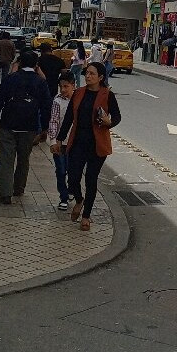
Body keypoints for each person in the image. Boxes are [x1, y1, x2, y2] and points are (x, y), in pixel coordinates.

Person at [58, 62, 121, 230]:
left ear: (100, 77)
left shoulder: (108, 95)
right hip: (78, 142)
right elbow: (69, 118)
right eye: (87, 73)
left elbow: (117, 116)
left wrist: (110, 122)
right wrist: (60, 138)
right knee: (72, 177)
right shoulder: (78, 93)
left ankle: (86, 216)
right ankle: (79, 200)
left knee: (91, 180)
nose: (88, 76)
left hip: (97, 144)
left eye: (92, 74)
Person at [0, 50, 52, 204]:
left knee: (7, 160)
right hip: (29, 126)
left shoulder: (11, 79)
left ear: (20, 63)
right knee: (24, 159)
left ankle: (5, 194)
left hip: (8, 124)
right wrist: (44, 128)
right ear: (36, 65)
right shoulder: (40, 82)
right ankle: (19, 188)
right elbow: (46, 106)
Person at [47, 71, 75, 210]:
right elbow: (53, 121)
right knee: (61, 170)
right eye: (61, 86)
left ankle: (71, 190)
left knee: (73, 169)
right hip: (60, 143)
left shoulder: (79, 99)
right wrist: (53, 141)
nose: (63, 90)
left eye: (66, 86)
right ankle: (63, 197)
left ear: (73, 85)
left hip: (75, 143)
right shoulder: (57, 100)